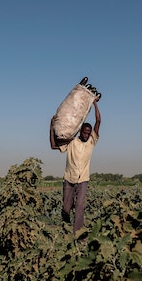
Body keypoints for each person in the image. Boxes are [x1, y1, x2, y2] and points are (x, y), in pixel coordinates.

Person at [50, 99, 101, 235]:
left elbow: (98, 121)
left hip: (83, 179)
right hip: (69, 178)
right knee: (66, 208)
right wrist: (51, 127)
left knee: (80, 207)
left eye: (88, 132)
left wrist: (94, 103)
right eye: (84, 132)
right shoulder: (72, 142)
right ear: (80, 132)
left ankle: (77, 233)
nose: (86, 135)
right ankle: (65, 228)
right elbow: (53, 146)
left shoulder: (92, 141)